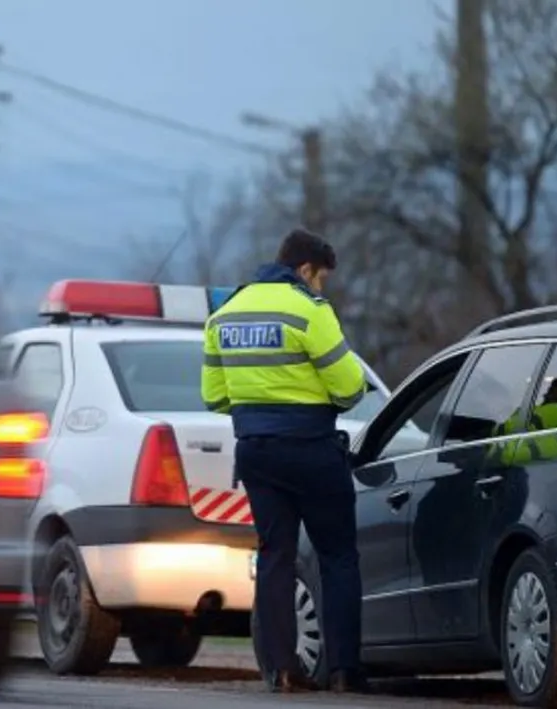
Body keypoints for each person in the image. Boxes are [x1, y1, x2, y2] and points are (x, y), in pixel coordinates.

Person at [201, 228, 369, 694]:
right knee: (337, 556)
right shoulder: (309, 311)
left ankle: (283, 670)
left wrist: (259, 407)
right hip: (312, 449)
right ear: (305, 270)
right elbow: (350, 388)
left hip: (256, 451)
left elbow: (214, 397)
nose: (321, 287)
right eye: (321, 279)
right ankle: (344, 670)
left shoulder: (226, 313)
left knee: (275, 555)